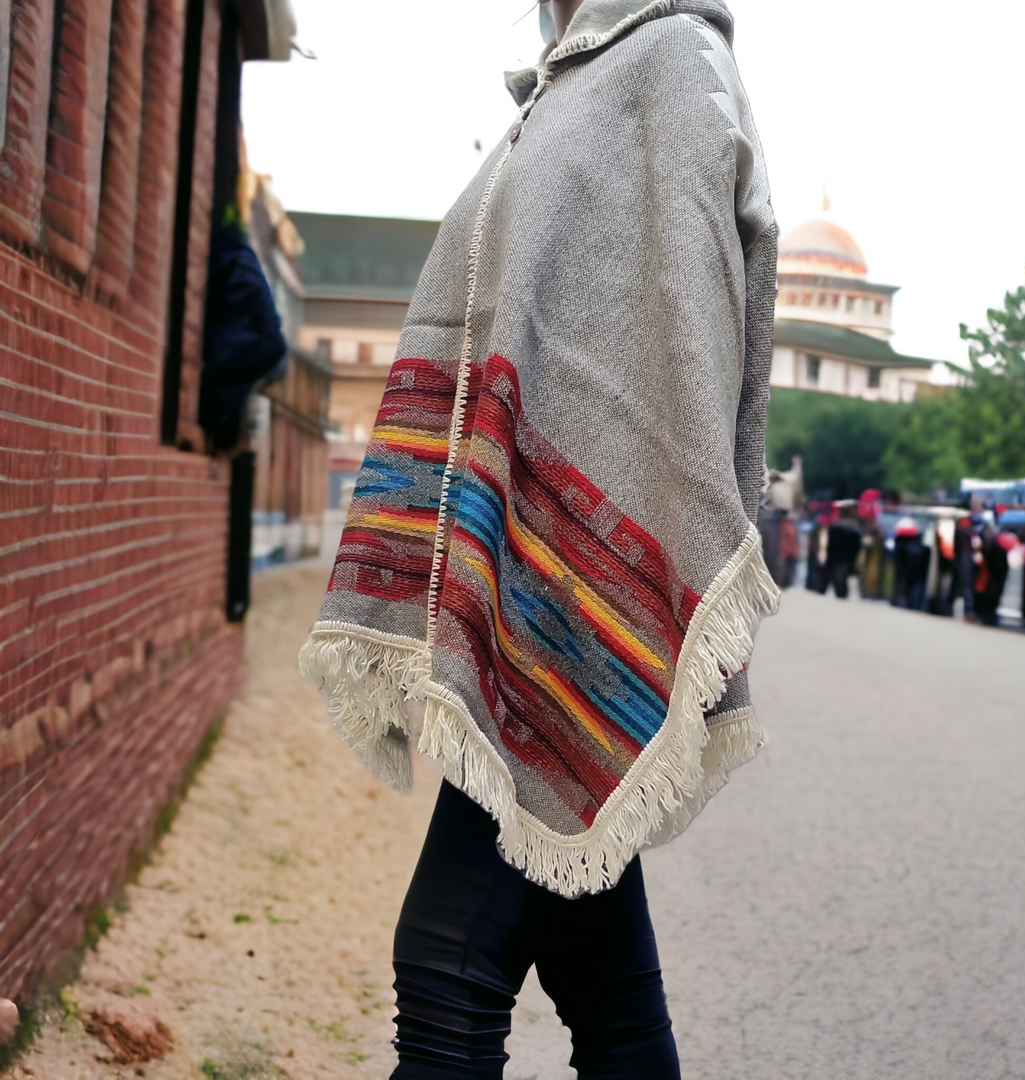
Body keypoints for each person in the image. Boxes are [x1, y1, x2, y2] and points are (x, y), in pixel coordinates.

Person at [300, 1, 779, 1076]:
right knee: (604, 985)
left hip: (569, 596)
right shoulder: (569, 83)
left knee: (444, 958)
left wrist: (613, 552)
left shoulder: (671, 64)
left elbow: (675, 358)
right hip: (528, 580)